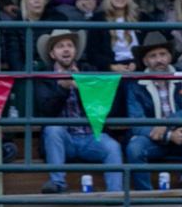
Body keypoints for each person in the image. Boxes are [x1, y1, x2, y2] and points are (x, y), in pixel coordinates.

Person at [30, 26, 123, 194]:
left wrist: (83, 88)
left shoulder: (90, 71)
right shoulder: (44, 77)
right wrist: (63, 89)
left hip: (90, 136)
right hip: (64, 140)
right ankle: (58, 183)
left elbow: (102, 108)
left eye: (69, 45)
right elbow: (47, 111)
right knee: (52, 130)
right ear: (52, 54)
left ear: (75, 51)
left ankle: (115, 195)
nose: (66, 49)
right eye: (60, 46)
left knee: (112, 147)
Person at [124, 32, 182, 188]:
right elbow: (137, 122)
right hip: (153, 139)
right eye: (153, 56)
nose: (159, 60)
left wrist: (167, 123)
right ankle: (146, 195)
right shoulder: (134, 84)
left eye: (163, 54)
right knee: (134, 148)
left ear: (169, 57)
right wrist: (168, 135)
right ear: (145, 61)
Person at [2, 0, 72, 73]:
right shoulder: (14, 26)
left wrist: (41, 66)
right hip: (24, 75)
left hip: (53, 74)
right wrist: (26, 75)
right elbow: (14, 58)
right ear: (24, 1)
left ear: (45, 0)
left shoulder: (59, 19)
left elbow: (62, 52)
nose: (37, 1)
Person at [92, 0, 143, 74]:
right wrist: (112, 67)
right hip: (111, 71)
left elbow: (152, 46)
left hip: (138, 68)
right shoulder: (97, 19)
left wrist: (138, 63)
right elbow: (93, 53)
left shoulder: (142, 18)